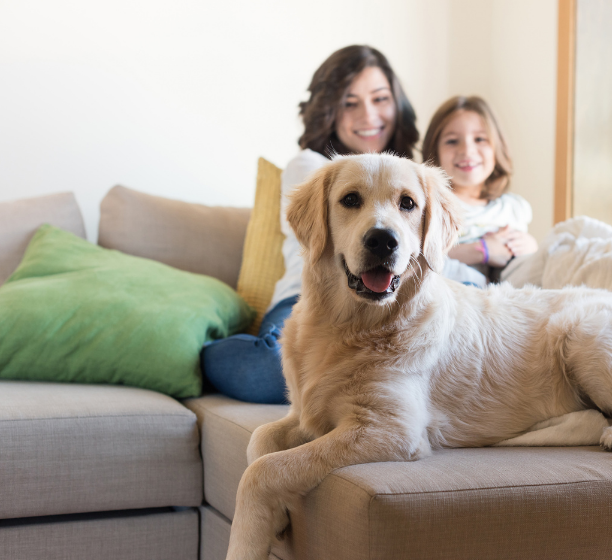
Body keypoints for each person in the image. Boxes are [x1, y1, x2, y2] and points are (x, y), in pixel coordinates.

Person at [201, 46, 481, 404]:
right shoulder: (313, 167)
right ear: (329, 109)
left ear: (397, 104)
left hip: (388, 310)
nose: (369, 114)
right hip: (307, 300)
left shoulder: (410, 176)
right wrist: (482, 253)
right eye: (351, 103)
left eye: (380, 99)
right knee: (268, 372)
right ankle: (200, 350)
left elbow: (427, 257)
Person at [421, 95, 538, 279]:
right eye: (452, 141)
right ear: (434, 151)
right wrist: (482, 250)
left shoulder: (512, 208)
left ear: (497, 147)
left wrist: (531, 246)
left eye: (480, 139)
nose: (467, 150)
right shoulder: (431, 207)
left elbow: (527, 264)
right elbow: (418, 260)